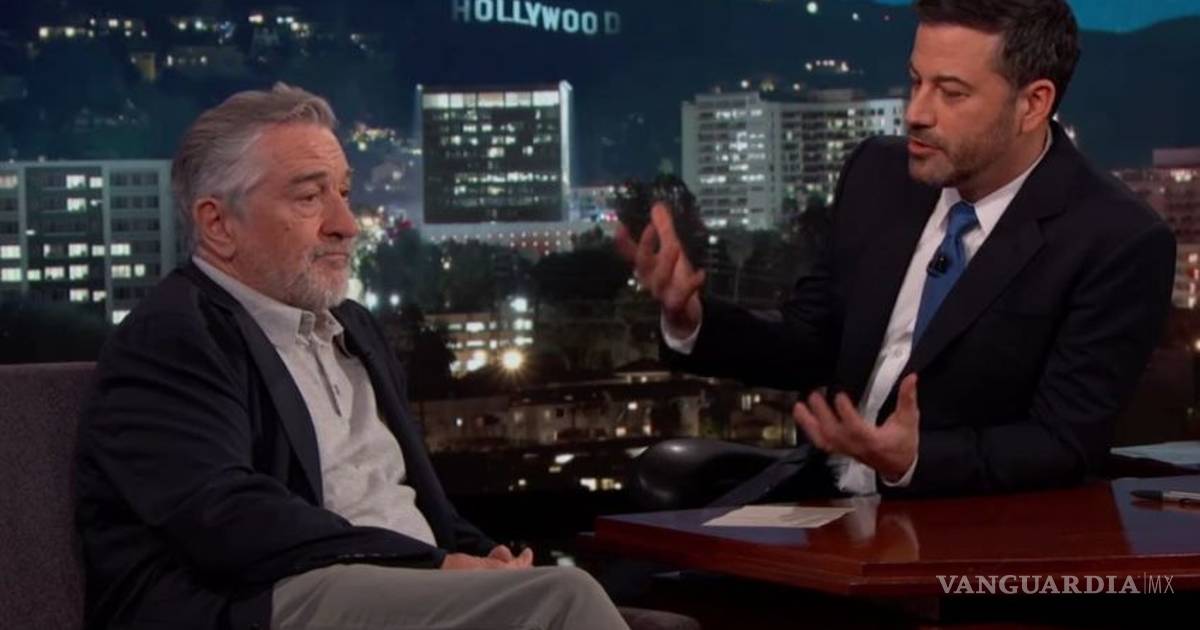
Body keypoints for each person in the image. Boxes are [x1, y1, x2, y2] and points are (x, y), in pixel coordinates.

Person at [77, 84, 635, 630]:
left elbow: (414, 506)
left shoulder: (355, 328)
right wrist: (434, 567)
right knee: (566, 596)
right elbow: (226, 519)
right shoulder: (172, 335)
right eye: (309, 197)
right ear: (218, 224)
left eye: (344, 193)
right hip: (259, 599)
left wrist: (484, 559)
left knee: (542, 590)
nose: (346, 225)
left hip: (402, 586)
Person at [617, 0, 1175, 501]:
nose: (916, 113)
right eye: (915, 81)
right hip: (818, 497)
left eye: (951, 93)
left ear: (1033, 104)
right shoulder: (879, 174)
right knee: (627, 575)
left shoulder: (1116, 239)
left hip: (959, 525)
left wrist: (911, 459)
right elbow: (810, 339)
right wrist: (692, 320)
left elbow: (1063, 442)